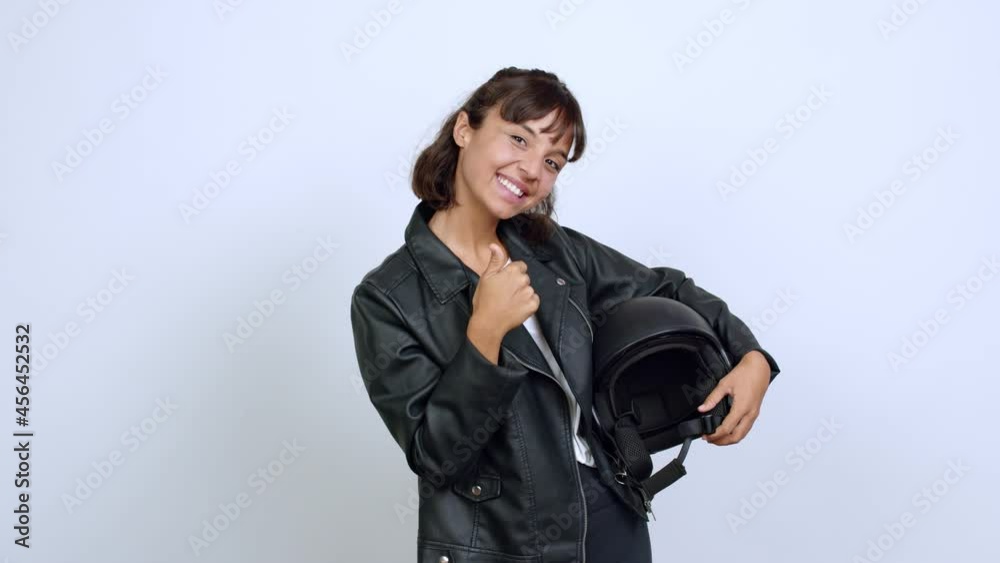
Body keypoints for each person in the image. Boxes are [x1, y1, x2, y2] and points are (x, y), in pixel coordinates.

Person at [350, 66, 780, 563]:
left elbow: (667, 287)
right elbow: (438, 457)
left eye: (553, 161)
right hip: (502, 545)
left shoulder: (552, 251)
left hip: (608, 515)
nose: (533, 170)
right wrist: (485, 333)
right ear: (464, 129)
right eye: (518, 139)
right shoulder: (386, 298)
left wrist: (750, 356)